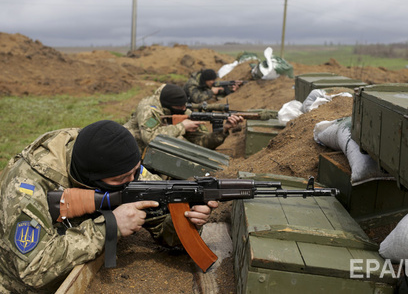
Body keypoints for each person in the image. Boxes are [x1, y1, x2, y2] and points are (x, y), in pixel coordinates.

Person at [0, 120, 217, 293]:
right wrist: (109, 226)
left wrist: (187, 220)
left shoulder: (123, 168)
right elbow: (33, 270)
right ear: (91, 178)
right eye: (124, 177)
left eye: (137, 170)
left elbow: (164, 231)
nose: (134, 180)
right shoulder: (26, 186)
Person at [124, 83, 243, 154]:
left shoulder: (182, 111)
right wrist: (182, 127)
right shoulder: (151, 111)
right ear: (168, 105)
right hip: (131, 152)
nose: (183, 109)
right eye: (179, 106)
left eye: (185, 105)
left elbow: (200, 143)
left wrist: (223, 130)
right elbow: (149, 138)